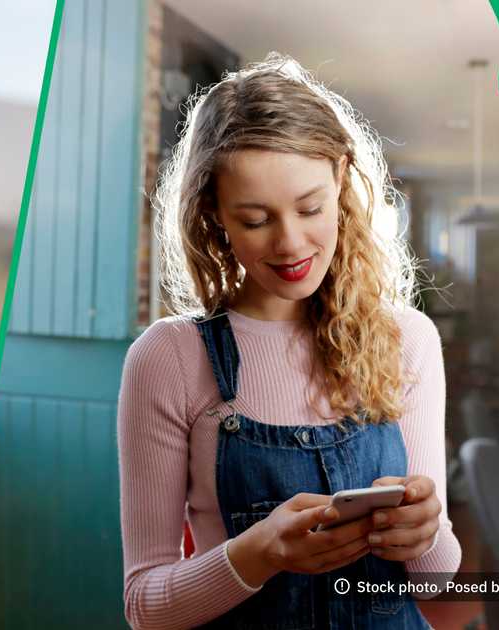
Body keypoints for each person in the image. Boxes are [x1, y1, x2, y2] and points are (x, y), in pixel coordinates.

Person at [118, 53, 462, 629]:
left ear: (341, 182)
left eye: (310, 208)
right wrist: (259, 553)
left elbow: (437, 576)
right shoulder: (170, 358)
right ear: (214, 216)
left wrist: (425, 531)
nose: (290, 243)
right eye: (256, 220)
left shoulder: (408, 338)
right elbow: (144, 604)